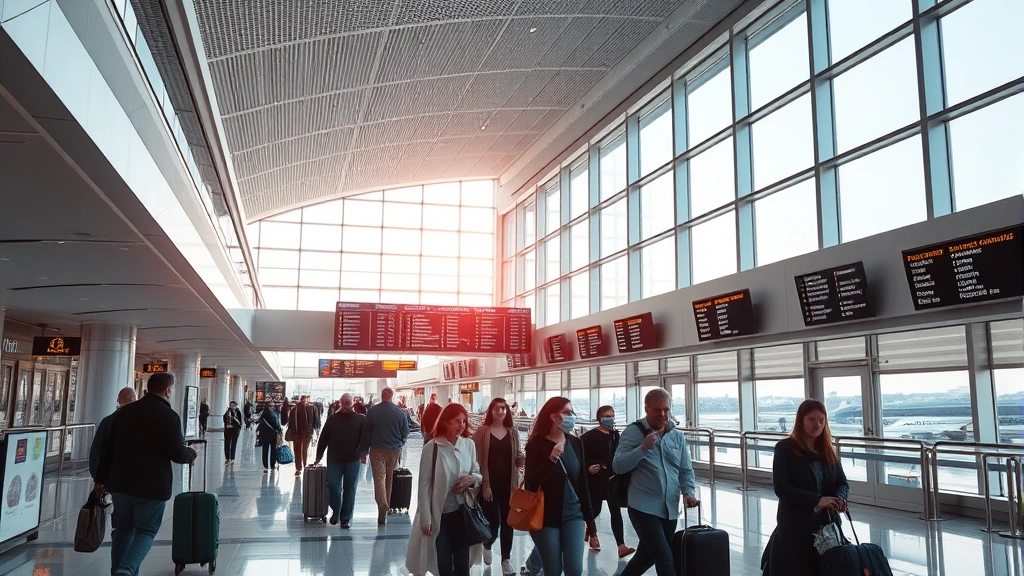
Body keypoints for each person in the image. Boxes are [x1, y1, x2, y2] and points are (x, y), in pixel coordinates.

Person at [95, 372, 197, 576]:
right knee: (146, 531)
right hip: (152, 487)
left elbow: (107, 449)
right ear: (167, 390)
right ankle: (126, 569)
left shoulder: (124, 413)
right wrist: (192, 453)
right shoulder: (169, 416)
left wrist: (100, 480)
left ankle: (117, 570)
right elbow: (176, 453)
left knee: (123, 530)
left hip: (121, 484)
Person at [613, 388, 699, 576]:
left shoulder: (676, 436)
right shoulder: (634, 432)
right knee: (665, 560)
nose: (662, 414)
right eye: (657, 410)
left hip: (670, 508)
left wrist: (688, 492)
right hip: (643, 507)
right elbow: (618, 465)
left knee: (646, 557)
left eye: (666, 410)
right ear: (647, 408)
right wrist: (642, 448)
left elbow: (685, 469)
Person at [761, 399, 849, 576]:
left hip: (827, 527)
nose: (817, 425)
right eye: (811, 419)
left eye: (821, 420)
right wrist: (817, 500)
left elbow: (842, 482)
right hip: (796, 527)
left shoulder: (827, 450)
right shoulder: (785, 449)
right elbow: (782, 488)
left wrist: (839, 497)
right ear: (801, 420)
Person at [405, 403, 482, 576]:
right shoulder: (431, 448)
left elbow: (477, 473)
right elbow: (424, 485)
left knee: (463, 563)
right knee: (444, 563)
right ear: (446, 422)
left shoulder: (468, 444)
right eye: (457, 421)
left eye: (464, 421)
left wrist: (472, 479)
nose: (461, 425)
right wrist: (426, 517)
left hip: (463, 513)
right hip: (440, 514)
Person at [524, 397, 596, 576]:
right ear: (553, 416)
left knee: (574, 570)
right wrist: (551, 459)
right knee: (553, 570)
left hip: (574, 515)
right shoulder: (536, 445)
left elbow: (583, 483)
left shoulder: (575, 443)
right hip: (545, 516)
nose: (571, 417)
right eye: (567, 413)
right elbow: (530, 484)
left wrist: (592, 526)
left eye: (572, 413)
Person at [472, 398, 523, 575]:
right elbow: (477, 460)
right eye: (496, 409)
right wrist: (485, 485)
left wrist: (522, 460)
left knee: (509, 523)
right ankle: (488, 543)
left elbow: (517, 457)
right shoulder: (482, 432)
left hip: (509, 486)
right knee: (492, 522)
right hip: (489, 485)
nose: (500, 412)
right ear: (490, 412)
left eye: (503, 408)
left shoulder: (512, 431)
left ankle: (506, 560)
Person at [581, 406, 636, 558]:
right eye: (606, 416)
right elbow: (580, 455)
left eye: (612, 415)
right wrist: (589, 466)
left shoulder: (615, 435)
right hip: (596, 479)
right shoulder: (589, 437)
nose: (610, 418)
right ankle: (591, 533)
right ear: (599, 418)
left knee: (615, 510)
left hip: (613, 480)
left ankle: (621, 545)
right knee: (595, 510)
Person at [313, 393, 366, 528]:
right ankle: (337, 509)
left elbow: (366, 438)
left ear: (352, 403)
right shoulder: (332, 419)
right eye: (344, 402)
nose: (347, 404)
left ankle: (345, 518)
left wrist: (363, 452)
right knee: (333, 485)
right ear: (340, 403)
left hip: (352, 460)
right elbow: (323, 438)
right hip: (334, 459)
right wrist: (319, 455)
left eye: (349, 402)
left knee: (350, 488)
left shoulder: (361, 419)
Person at [359, 387, 411, 526]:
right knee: (389, 479)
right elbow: (406, 431)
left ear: (381, 396)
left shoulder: (372, 411)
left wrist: (363, 452)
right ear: (392, 396)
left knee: (379, 478)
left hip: (377, 450)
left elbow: (366, 432)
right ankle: (384, 509)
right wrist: (400, 443)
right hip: (394, 449)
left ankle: (382, 505)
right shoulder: (400, 412)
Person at [89, 387, 137, 481]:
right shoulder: (142, 422)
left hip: (112, 475)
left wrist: (98, 477)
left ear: (119, 402)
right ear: (134, 400)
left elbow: (96, 450)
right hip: (133, 478)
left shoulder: (107, 422)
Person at [289, 395, 316, 476]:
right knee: (304, 450)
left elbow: (290, 422)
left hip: (296, 434)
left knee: (297, 451)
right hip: (307, 434)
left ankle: (298, 468)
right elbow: (316, 422)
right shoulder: (311, 409)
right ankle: (304, 466)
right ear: (306, 400)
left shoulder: (294, 409)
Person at [258, 401, 283, 473]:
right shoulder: (267, 413)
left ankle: (270, 465)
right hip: (268, 434)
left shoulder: (274, 412)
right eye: (271, 406)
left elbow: (278, 422)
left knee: (271, 450)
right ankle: (268, 465)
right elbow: (276, 423)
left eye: (273, 405)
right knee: (268, 450)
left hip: (270, 434)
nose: (272, 407)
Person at [223, 400, 243, 465]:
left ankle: (232, 458)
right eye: (231, 406)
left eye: (234, 406)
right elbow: (225, 420)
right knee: (227, 443)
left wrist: (234, 425)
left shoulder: (238, 412)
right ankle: (227, 458)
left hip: (235, 429)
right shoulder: (227, 412)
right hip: (228, 429)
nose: (233, 407)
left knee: (234, 443)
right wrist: (227, 425)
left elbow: (240, 422)